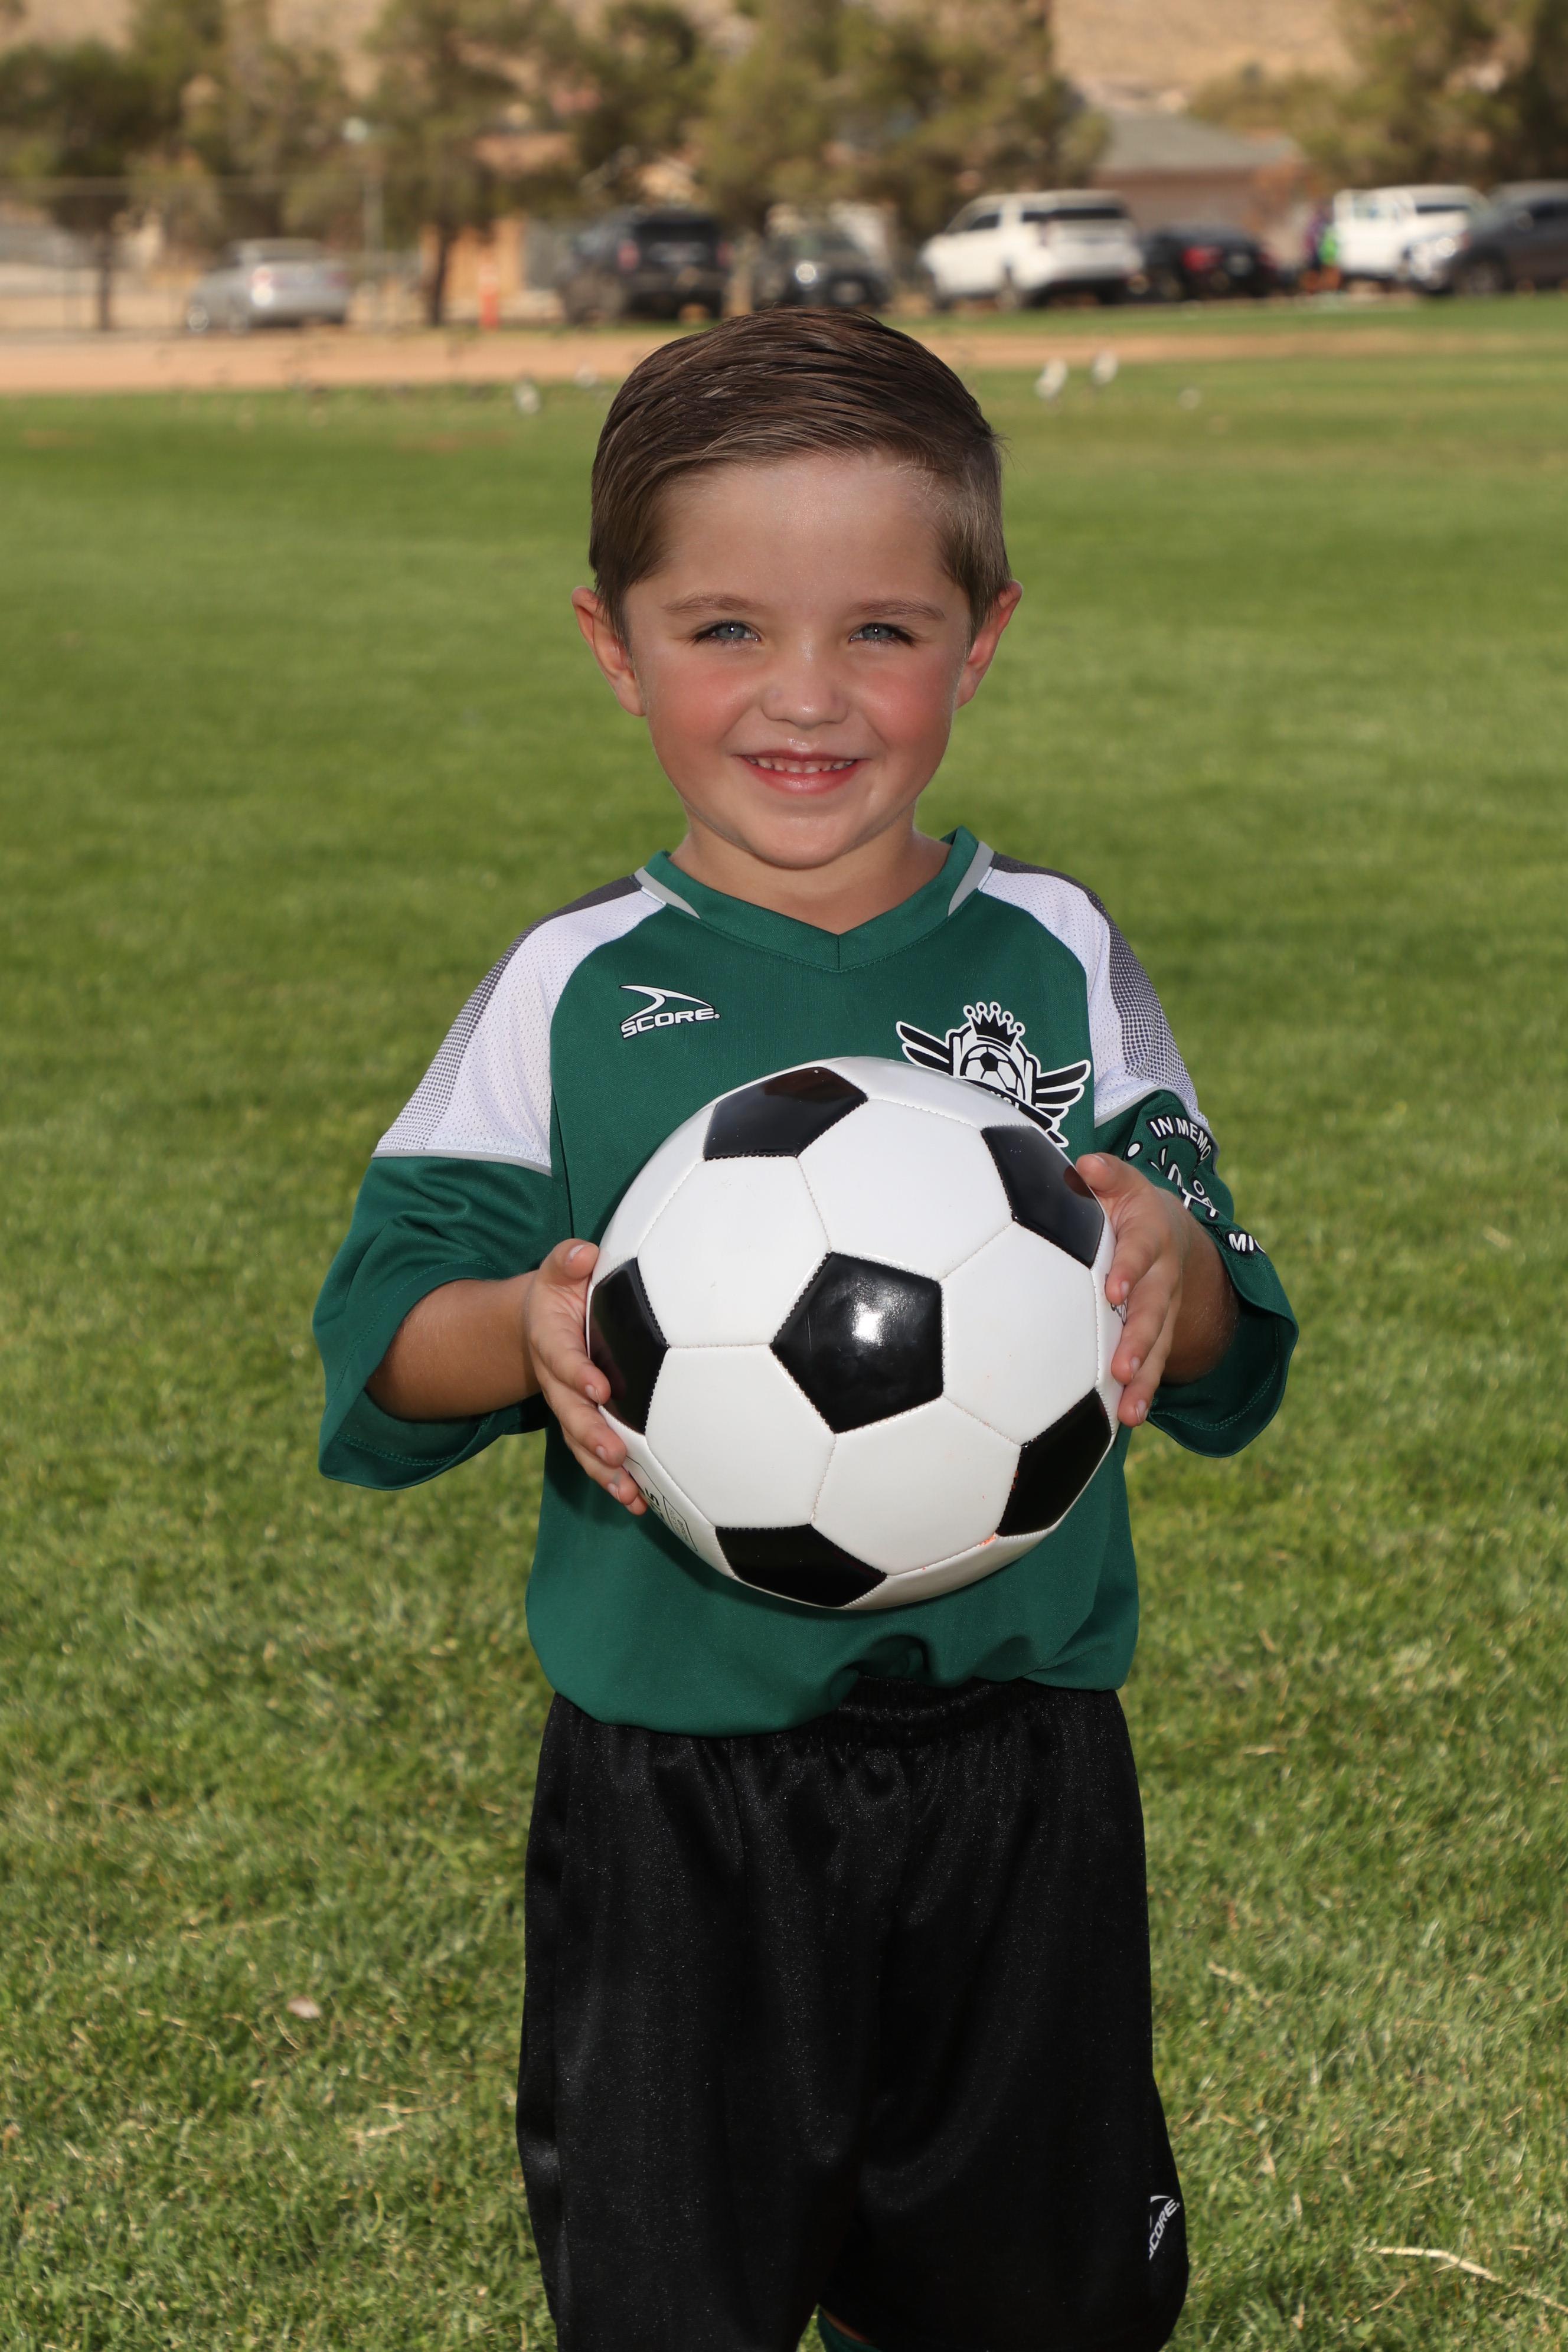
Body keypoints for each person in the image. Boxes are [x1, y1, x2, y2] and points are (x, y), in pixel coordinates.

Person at [313, 309, 1296, 2352]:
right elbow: (384, 1349)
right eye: (727, 629)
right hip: (678, 1796)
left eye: (882, 631)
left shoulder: (1058, 954)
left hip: (1024, 1776)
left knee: (1038, 2306)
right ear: (614, 643)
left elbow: (1231, 1345)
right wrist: (525, 1328)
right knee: (672, 2300)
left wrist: (1173, 1278)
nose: (807, 696)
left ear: (982, 636)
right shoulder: (571, 990)